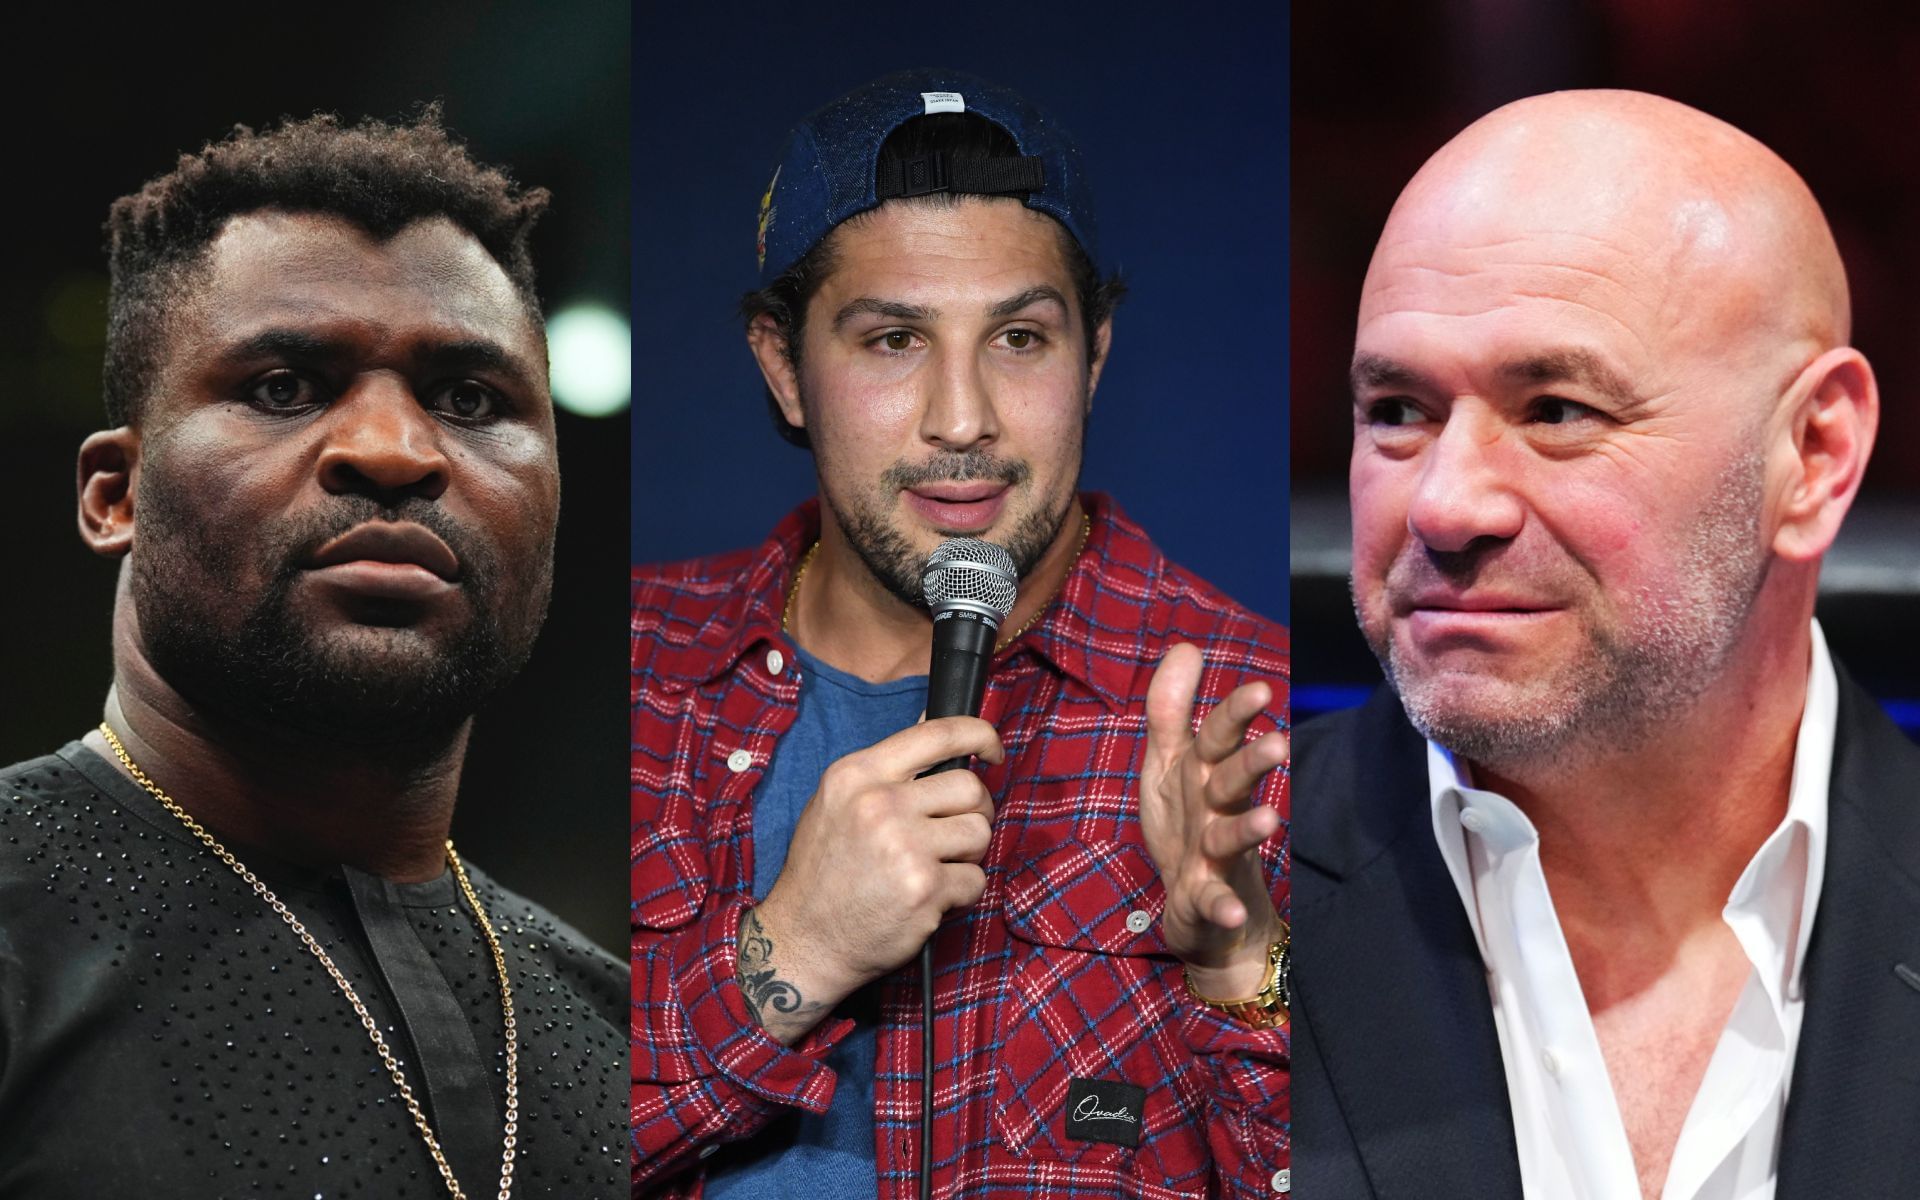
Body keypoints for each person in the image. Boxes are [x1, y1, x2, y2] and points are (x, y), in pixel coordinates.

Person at [631, 71, 1291, 1198]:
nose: (963, 419)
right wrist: (794, 952)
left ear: (1094, 357)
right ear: (783, 366)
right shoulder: (639, 661)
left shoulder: (1251, 719)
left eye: (1020, 338)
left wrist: (1239, 970)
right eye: (894, 339)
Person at [1291, 89, 1920, 1200]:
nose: (1443, 505)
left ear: (1814, 454)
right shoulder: (1179, 899)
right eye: (1397, 410)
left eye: (1557, 410)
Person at [0, 111, 626, 1198]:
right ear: (116, 494)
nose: (393, 450)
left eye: (469, 400)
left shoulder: (623, 1033)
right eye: (284, 387)